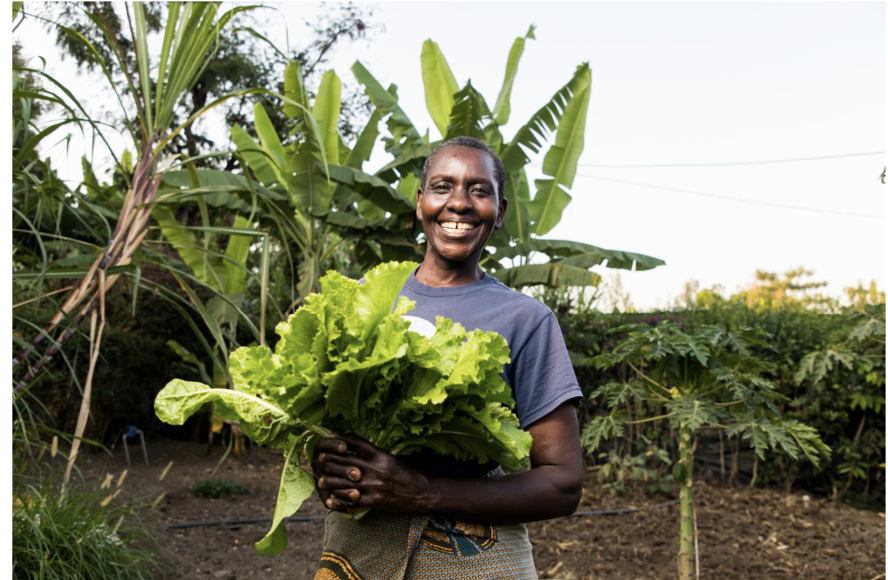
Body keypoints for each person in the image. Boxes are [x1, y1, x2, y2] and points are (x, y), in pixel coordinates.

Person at [311, 136, 584, 580]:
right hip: (357, 554)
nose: (459, 203)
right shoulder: (362, 301)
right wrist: (330, 466)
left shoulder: (525, 319)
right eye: (442, 187)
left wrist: (425, 493)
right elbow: (328, 427)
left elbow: (562, 484)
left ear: (500, 211)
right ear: (420, 203)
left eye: (479, 190)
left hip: (476, 561)